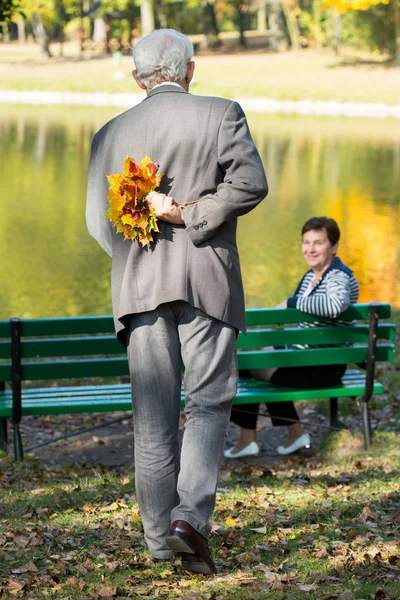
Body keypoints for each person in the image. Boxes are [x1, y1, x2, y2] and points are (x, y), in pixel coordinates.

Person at [86, 29, 268, 574]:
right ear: (191, 69)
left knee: (153, 419)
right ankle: (189, 519)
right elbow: (251, 183)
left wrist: (139, 245)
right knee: (209, 404)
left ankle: (162, 544)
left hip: (139, 288)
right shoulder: (222, 113)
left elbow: (100, 225)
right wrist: (191, 214)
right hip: (206, 281)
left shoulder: (107, 134)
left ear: (138, 78)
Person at [224, 216, 359, 459]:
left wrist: (292, 302)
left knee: (244, 365)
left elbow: (336, 304)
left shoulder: (338, 275)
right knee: (255, 361)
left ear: (334, 246)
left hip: (322, 366)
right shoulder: (312, 276)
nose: (310, 249)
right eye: (306, 242)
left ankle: (251, 440)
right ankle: (292, 434)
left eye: (318, 242)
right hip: (307, 360)